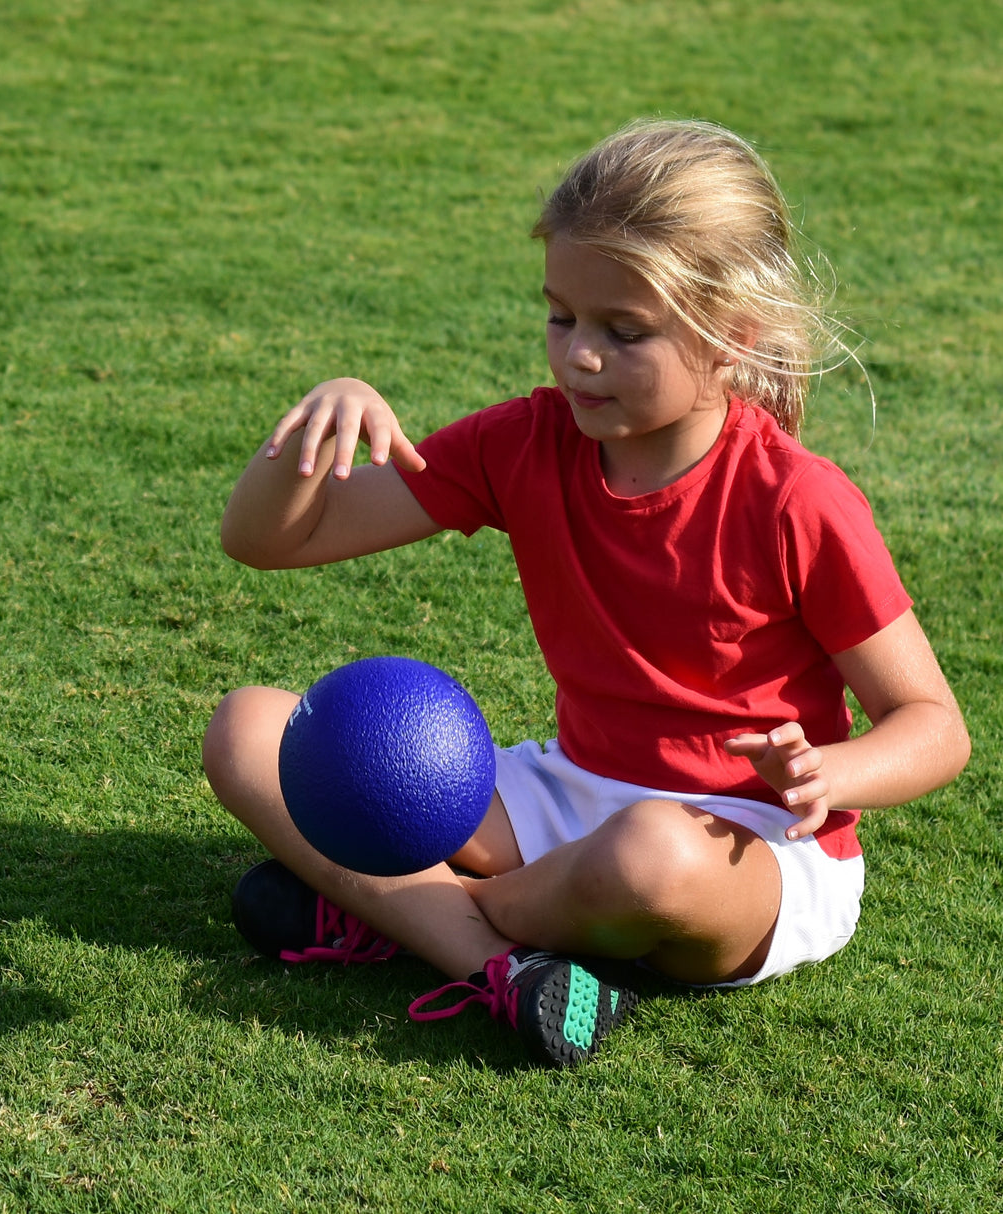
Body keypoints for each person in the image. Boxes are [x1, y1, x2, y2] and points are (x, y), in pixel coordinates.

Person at [200, 118, 970, 1068]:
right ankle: (496, 962)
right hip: (564, 795)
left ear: (733, 338)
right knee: (251, 730)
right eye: (561, 317)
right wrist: (320, 427)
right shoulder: (527, 442)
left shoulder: (797, 500)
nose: (580, 358)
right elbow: (272, 541)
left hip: (746, 850)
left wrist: (831, 774)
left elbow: (934, 724)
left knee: (651, 856)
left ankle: (408, 913)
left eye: (624, 330)